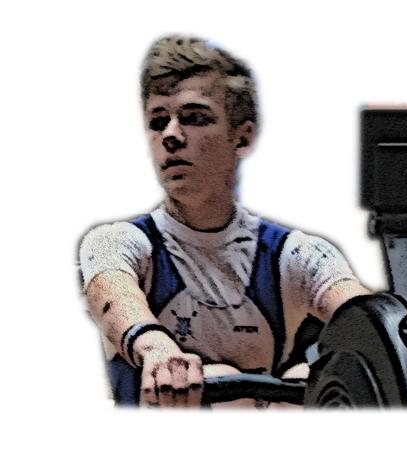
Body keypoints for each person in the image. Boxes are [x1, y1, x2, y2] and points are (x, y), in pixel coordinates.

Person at [79, 34, 370, 408]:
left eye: (194, 118)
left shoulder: (301, 255)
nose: (170, 136)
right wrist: (156, 347)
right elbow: (113, 293)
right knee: (221, 380)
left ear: (242, 137)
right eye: (158, 121)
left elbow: (372, 323)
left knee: (312, 379)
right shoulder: (114, 242)